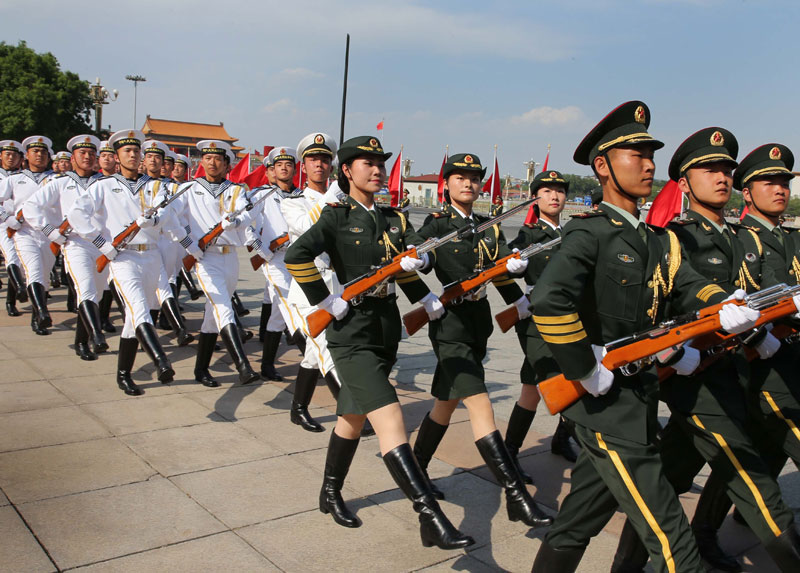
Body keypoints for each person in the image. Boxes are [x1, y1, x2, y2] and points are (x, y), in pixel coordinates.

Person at [529, 101, 759, 572]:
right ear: (603, 166)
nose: (650, 163)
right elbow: (549, 300)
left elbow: (689, 286)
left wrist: (727, 304)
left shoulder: (659, 240)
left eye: (651, 154)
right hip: (605, 408)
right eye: (636, 154)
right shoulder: (589, 234)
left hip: (638, 399)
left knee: (576, 522)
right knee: (674, 541)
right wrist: (583, 367)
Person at [612, 128, 800, 572]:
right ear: (683, 182)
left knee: (664, 482)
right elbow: (661, 308)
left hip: (730, 374)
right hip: (696, 382)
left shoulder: (738, 238)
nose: (722, 177)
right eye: (709, 169)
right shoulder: (676, 237)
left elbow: (752, 299)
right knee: (756, 486)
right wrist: (677, 354)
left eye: (726, 170)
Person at [285, 135, 473, 549]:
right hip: (350, 331)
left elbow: (399, 267)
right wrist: (325, 300)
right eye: (365, 163)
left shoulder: (393, 218)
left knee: (351, 418)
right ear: (346, 172)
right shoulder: (335, 216)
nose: (376, 170)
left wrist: (420, 285)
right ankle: (431, 517)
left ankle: (330, 492)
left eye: (379, 164)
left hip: (384, 326)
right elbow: (296, 256)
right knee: (390, 420)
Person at [410, 152, 552, 528]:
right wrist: (421, 264)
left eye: (474, 178)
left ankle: (417, 471)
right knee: (479, 403)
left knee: (444, 404)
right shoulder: (439, 222)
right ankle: (514, 492)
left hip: (477, 322)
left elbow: (502, 268)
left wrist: (517, 290)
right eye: (460, 177)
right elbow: (415, 251)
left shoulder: (489, 226)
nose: (469, 183)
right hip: (450, 323)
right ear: (447, 184)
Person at [68, 129, 183, 395]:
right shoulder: (104, 186)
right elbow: (76, 214)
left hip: (152, 254)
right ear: (117, 157)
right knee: (139, 309)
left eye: (136, 151)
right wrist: (101, 244)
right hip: (123, 257)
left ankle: (123, 374)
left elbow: (167, 215)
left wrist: (154, 220)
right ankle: (161, 360)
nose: (133, 155)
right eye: (127, 151)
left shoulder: (156, 186)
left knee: (133, 318)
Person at [170, 139, 260, 387]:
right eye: (207, 158)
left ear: (227, 164)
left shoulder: (236, 190)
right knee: (223, 307)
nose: (212, 163)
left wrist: (238, 222)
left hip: (230, 255)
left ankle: (200, 370)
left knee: (212, 317)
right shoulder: (188, 189)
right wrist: (189, 244)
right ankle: (243, 365)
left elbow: (247, 212)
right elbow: (170, 218)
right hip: (205, 256)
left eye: (218, 159)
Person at [506, 169, 578, 477]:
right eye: (547, 191)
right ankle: (508, 454)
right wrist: (514, 262)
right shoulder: (531, 234)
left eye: (560, 191)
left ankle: (559, 439)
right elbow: (513, 260)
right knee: (557, 382)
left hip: (571, 317)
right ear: (536, 198)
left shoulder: (573, 234)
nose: (554, 196)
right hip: (538, 320)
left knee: (532, 389)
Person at [24, 134, 108, 360]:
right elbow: (31, 207)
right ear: (73, 158)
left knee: (96, 295)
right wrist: (50, 232)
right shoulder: (60, 183)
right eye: (83, 153)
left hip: (101, 246)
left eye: (92, 154)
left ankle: (81, 340)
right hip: (76, 244)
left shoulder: (105, 183)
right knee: (86, 289)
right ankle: (96, 335)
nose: (88, 157)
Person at [281, 133, 345, 432]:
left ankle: (298, 408)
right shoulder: (294, 202)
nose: (319, 164)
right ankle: (350, 412)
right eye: (313, 160)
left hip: (340, 284)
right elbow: (308, 230)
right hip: (310, 286)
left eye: (324, 159)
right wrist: (332, 197)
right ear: (303, 166)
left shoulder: (344, 199)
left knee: (314, 353)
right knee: (324, 349)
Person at [0, 136, 56, 335]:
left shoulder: (57, 180)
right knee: (33, 272)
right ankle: (41, 313)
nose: (39, 155)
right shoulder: (14, 180)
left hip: (49, 235)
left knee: (44, 277)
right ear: (26, 156)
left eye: (43, 152)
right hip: (25, 233)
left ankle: (37, 314)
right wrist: (8, 218)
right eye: (35, 152)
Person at [0, 140, 26, 317]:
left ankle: (11, 300)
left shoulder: (24, 177)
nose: (11, 158)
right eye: (7, 154)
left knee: (18, 261)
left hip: (21, 223)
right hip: (2, 222)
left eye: (15, 155)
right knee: (11, 256)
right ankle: (19, 288)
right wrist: (6, 218)